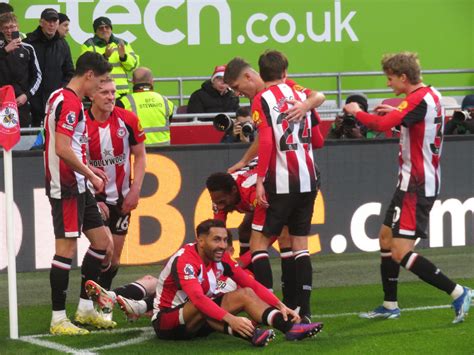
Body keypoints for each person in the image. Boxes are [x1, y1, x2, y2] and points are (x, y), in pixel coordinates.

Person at [343, 52, 472, 324]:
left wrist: (357, 112)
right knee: (385, 238)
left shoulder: (416, 100)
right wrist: (397, 113)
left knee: (400, 251)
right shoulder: (432, 94)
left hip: (417, 184)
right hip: (411, 182)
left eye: (390, 79)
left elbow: (379, 125)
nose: (388, 84)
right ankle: (390, 305)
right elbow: (414, 119)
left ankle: (458, 292)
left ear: (403, 77)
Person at [44, 51, 114, 335]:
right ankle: (58, 319)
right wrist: (91, 173)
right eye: (98, 82)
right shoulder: (71, 103)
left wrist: (88, 175)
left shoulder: (58, 96)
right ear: (88, 75)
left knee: (101, 243)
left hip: (78, 184)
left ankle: (85, 309)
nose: (98, 88)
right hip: (68, 185)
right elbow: (62, 148)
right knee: (66, 250)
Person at [251, 50, 322, 322]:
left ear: (260, 73)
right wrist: (305, 106)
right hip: (308, 179)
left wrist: (259, 179)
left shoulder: (261, 99)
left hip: (281, 181)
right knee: (300, 246)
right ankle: (303, 311)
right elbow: (319, 103)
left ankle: (267, 309)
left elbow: (267, 140)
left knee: (258, 246)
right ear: (285, 71)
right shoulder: (298, 92)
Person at [86, 78, 146, 299]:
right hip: (93, 197)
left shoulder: (128, 119)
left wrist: (135, 189)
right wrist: (91, 175)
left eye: (113, 92)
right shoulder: (82, 122)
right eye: (104, 93)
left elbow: (140, 156)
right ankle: (91, 301)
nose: (111, 97)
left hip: (122, 198)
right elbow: (73, 158)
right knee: (105, 249)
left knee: (114, 259)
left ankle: (103, 298)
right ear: (92, 95)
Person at [223, 56, 326, 173]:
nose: (236, 94)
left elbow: (319, 96)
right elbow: (264, 135)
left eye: (236, 87)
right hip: (285, 161)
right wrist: (245, 161)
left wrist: (305, 105)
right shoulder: (257, 99)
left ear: (247, 77)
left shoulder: (283, 85)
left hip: (301, 159)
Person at [25, 8, 74, 127]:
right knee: (33, 141)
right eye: (48, 21)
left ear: (57, 23)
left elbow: (70, 72)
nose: (51, 24)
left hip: (55, 101)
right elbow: (22, 72)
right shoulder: (28, 43)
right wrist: (27, 94)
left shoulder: (63, 44)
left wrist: (60, 92)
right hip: (31, 101)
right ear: (41, 22)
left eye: (54, 21)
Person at [0, 13, 42, 127]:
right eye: (5, 28)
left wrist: (26, 95)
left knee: (23, 139)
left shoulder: (28, 48)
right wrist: (4, 51)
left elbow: (37, 76)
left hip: (21, 103)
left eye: (12, 27)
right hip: (1, 102)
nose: (9, 31)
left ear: (17, 27)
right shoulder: (1, 49)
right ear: (1, 30)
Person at [81, 16, 139, 97]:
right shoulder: (88, 45)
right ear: (96, 31)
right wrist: (104, 57)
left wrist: (124, 57)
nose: (104, 30)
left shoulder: (122, 43)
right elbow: (86, 68)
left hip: (121, 93)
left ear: (111, 29)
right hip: (100, 93)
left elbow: (133, 66)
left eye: (107, 27)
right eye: (100, 28)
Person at [117, 67, 174, 146]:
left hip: (138, 152)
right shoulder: (166, 101)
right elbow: (169, 121)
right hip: (164, 152)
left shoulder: (123, 102)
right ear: (152, 81)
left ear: (133, 82)